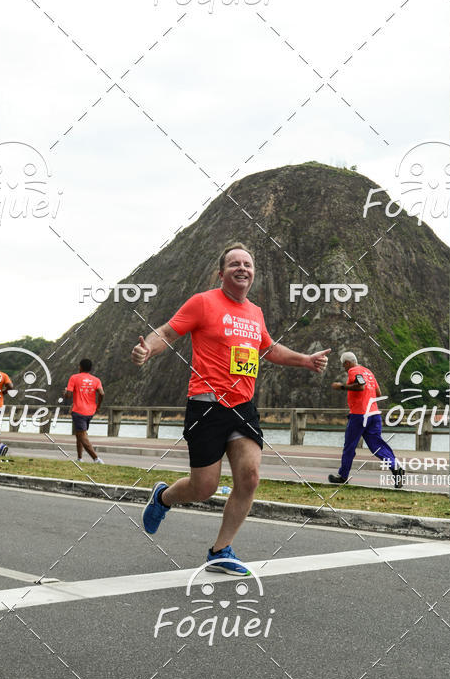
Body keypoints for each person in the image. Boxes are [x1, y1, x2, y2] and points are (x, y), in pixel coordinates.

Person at [131, 243, 330, 575]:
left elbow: (269, 349)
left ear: (253, 273)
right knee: (204, 488)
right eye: (235, 264)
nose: (242, 268)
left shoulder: (255, 312)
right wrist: (147, 350)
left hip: (242, 407)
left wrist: (305, 360)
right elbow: (167, 332)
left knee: (250, 478)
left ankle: (220, 551)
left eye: (248, 264)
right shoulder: (203, 302)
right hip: (206, 406)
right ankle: (163, 498)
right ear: (221, 273)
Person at [329, 351, 404, 488]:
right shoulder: (368, 372)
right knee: (377, 445)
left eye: (343, 365)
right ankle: (395, 467)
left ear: (347, 363)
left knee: (350, 446)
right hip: (374, 414)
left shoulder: (354, 370)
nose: (344, 368)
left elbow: (360, 386)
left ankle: (343, 476)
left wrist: (342, 387)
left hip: (359, 415)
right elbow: (378, 393)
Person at [64, 358, 105, 464]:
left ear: (80, 367)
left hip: (79, 411)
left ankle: (96, 459)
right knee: (79, 434)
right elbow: (101, 393)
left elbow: (68, 395)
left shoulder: (74, 378)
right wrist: (98, 406)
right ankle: (79, 458)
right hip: (90, 412)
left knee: (82, 435)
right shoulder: (96, 380)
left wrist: (65, 392)